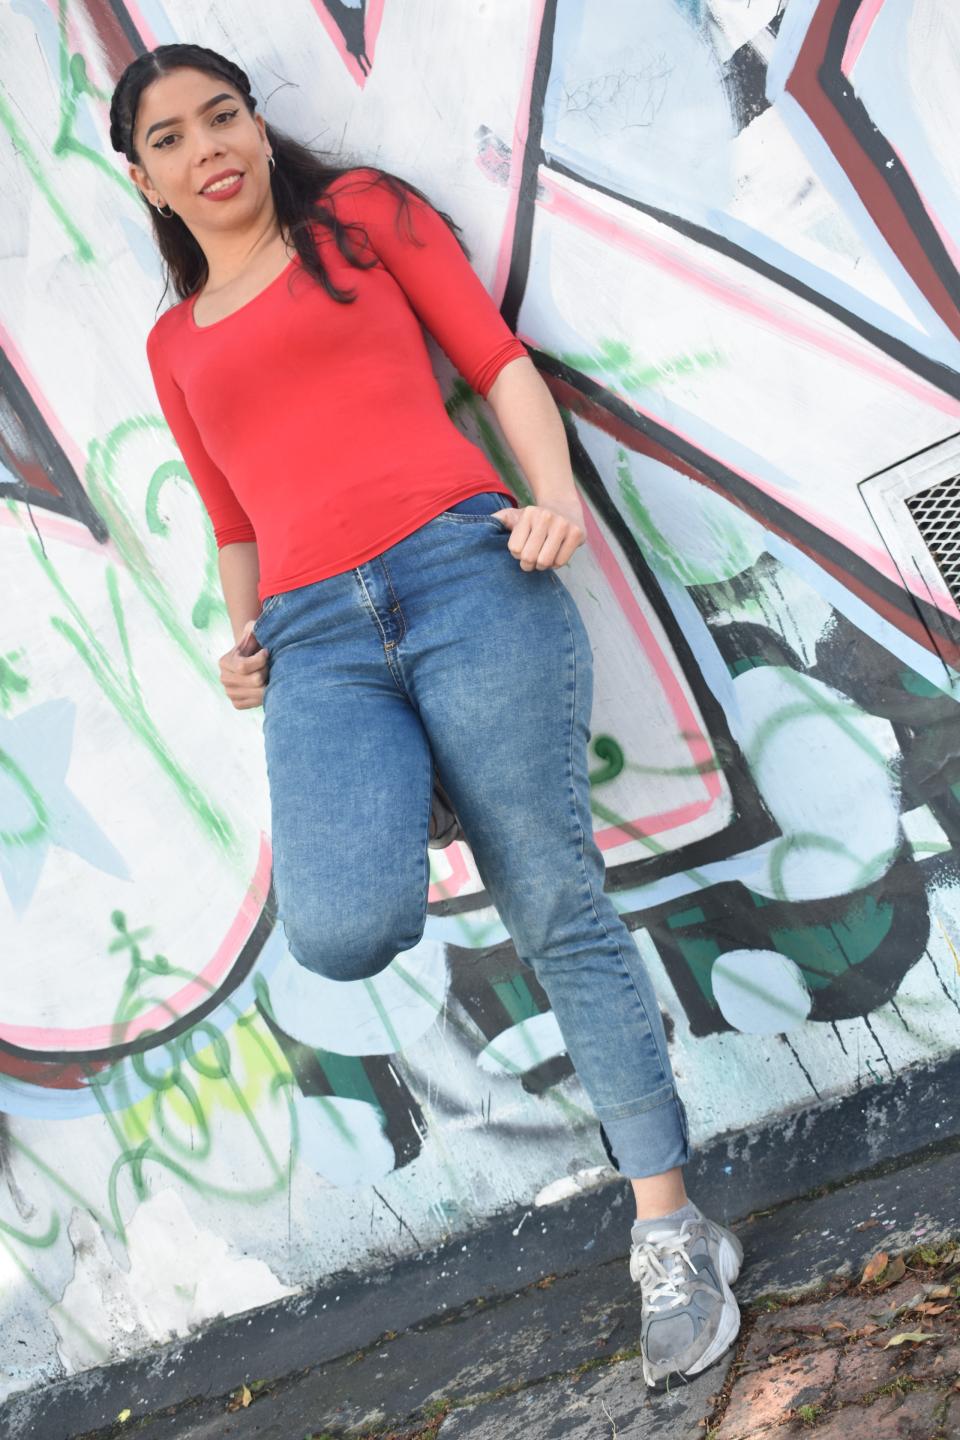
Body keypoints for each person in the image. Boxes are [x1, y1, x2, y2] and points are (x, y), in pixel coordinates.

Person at [109, 42, 743, 1390]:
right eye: (170, 138)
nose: (206, 147)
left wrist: (551, 498)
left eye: (222, 116)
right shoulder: (173, 344)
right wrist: (241, 643)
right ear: (145, 178)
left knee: (555, 903)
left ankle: (671, 1228)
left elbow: (497, 363)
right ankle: (427, 769)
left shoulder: (362, 221)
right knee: (342, 926)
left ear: (256, 127)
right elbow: (233, 516)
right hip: (315, 644)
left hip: (466, 576)